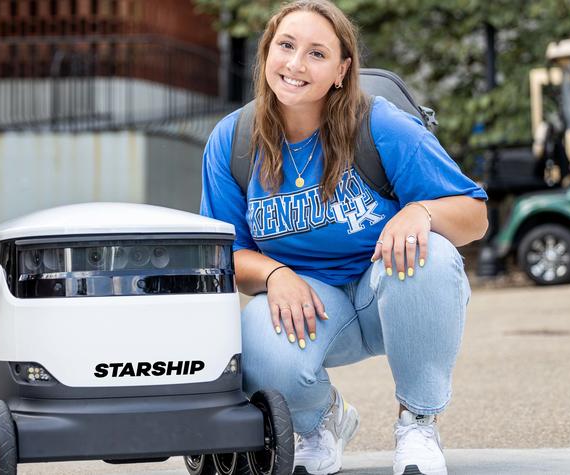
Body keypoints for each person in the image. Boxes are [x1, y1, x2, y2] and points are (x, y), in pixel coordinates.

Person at [200, 1, 488, 474]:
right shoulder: (234, 140)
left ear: (341, 70)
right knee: (253, 335)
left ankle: (418, 422)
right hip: (314, 307)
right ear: (266, 53)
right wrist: (274, 273)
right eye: (286, 46)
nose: (295, 64)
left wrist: (419, 211)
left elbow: (474, 215)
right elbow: (227, 254)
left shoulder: (379, 123)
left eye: (316, 53)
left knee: (429, 255)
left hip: (391, 296)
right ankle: (321, 421)